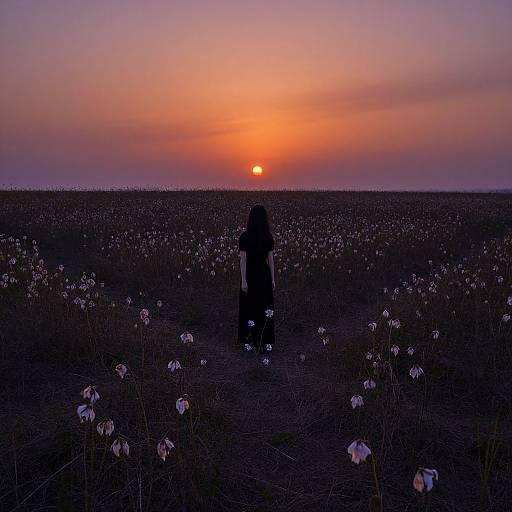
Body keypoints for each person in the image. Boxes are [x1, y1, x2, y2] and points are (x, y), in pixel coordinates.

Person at [238, 205, 275, 352]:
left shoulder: (244, 237)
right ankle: (265, 342)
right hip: (264, 275)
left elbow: (243, 260)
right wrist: (272, 279)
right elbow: (270, 260)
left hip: (251, 275)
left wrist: (244, 280)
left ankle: (251, 339)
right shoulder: (268, 237)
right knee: (264, 308)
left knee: (250, 308)